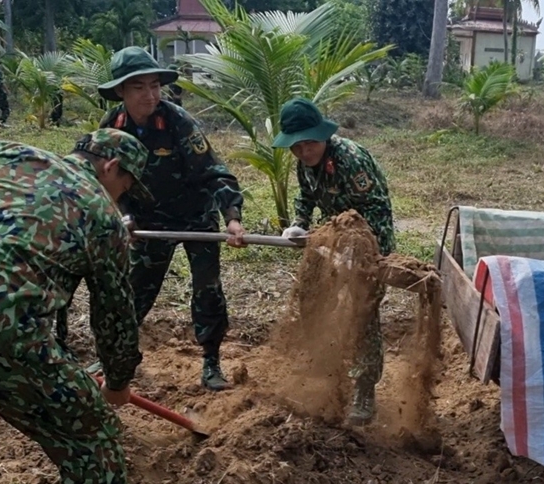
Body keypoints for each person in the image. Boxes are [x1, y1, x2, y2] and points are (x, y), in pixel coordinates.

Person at [0, 128, 152, 484]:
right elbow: (114, 317)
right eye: (126, 187)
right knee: (93, 440)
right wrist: (118, 382)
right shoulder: (105, 218)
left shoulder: (5, 153)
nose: (122, 199)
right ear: (112, 166)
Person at [95, 46, 247, 391]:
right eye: (139, 88)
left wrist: (232, 218)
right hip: (148, 224)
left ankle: (211, 361)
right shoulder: (112, 127)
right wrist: (123, 217)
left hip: (196, 218)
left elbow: (214, 172)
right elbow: (102, 180)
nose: (150, 95)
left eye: (154, 86)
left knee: (207, 291)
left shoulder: (178, 121)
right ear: (121, 91)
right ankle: (116, 357)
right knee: (134, 292)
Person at [273, 97, 395, 425]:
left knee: (361, 313)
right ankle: (324, 365)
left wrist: (361, 250)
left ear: (323, 135)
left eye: (309, 144)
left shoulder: (350, 160)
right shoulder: (306, 163)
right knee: (312, 295)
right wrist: (299, 222)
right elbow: (307, 195)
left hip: (370, 246)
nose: (304, 152)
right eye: (296, 147)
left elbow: (377, 209)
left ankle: (364, 387)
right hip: (334, 242)